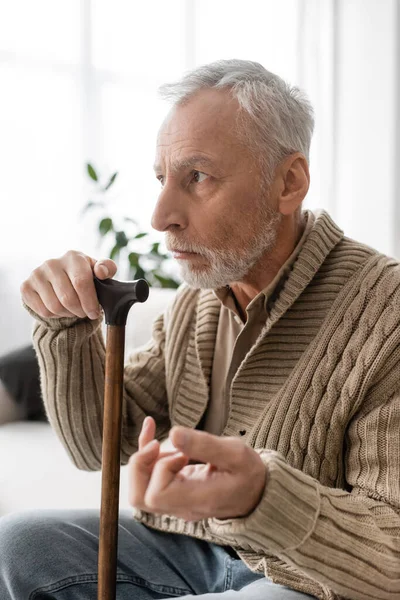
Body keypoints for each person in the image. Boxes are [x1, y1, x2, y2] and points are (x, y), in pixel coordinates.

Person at [0, 59, 398, 600]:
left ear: (289, 182)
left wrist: (261, 498)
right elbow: (99, 444)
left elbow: (392, 553)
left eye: (198, 177)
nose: (161, 214)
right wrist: (63, 329)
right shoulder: (200, 300)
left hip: (309, 575)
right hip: (188, 548)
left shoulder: (386, 310)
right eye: (163, 180)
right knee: (16, 544)